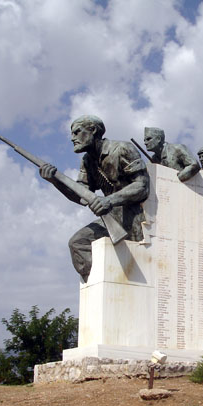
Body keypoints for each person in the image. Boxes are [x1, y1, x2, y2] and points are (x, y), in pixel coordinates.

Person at [39, 115, 150, 282]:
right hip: (110, 216)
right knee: (78, 243)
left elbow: (142, 186)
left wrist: (109, 201)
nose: (72, 138)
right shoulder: (87, 161)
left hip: (134, 215)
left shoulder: (122, 149)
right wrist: (55, 181)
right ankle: (99, 284)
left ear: (93, 130)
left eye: (77, 132)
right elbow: (81, 195)